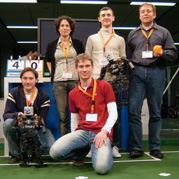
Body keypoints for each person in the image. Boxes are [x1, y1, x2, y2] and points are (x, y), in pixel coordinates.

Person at [50, 53, 118, 174]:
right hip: (83, 133)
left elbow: (113, 113)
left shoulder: (104, 86)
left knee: (101, 169)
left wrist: (104, 131)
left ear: (92, 67)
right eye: (81, 66)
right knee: (54, 152)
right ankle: (81, 153)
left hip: (100, 133)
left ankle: (104, 150)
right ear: (76, 68)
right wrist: (75, 141)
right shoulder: (73, 94)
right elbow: (75, 119)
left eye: (87, 66)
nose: (84, 69)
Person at [127, 3, 178, 159]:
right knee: (133, 111)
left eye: (149, 11)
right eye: (143, 11)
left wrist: (162, 53)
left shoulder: (163, 32)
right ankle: (137, 147)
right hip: (137, 72)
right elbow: (129, 57)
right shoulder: (132, 34)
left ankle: (155, 147)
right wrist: (128, 77)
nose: (146, 14)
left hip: (157, 71)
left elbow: (173, 54)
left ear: (154, 15)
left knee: (155, 112)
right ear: (139, 15)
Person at [85, 6, 126, 157]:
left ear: (113, 18)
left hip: (114, 81)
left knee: (114, 115)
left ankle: (114, 145)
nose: (106, 17)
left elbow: (123, 59)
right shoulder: (92, 39)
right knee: (94, 113)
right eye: (103, 15)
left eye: (109, 15)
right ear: (99, 19)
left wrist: (118, 63)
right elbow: (87, 60)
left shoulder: (120, 40)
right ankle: (92, 145)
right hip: (95, 81)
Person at [3, 67, 55, 164]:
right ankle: (15, 154)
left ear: (36, 80)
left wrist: (37, 121)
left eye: (31, 78)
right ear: (21, 79)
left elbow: (43, 119)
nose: (28, 81)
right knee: (8, 123)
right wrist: (17, 115)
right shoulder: (14, 92)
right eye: (25, 78)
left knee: (51, 148)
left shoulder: (44, 97)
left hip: (36, 128)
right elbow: (6, 115)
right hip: (21, 126)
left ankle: (35, 152)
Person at [45, 16, 84, 137]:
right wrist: (54, 73)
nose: (65, 28)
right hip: (59, 83)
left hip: (75, 81)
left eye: (67, 25)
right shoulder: (51, 45)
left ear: (71, 28)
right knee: (63, 116)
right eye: (62, 26)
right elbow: (49, 61)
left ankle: (78, 141)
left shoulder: (78, 43)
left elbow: (82, 61)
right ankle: (64, 145)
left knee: (77, 113)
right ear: (58, 28)